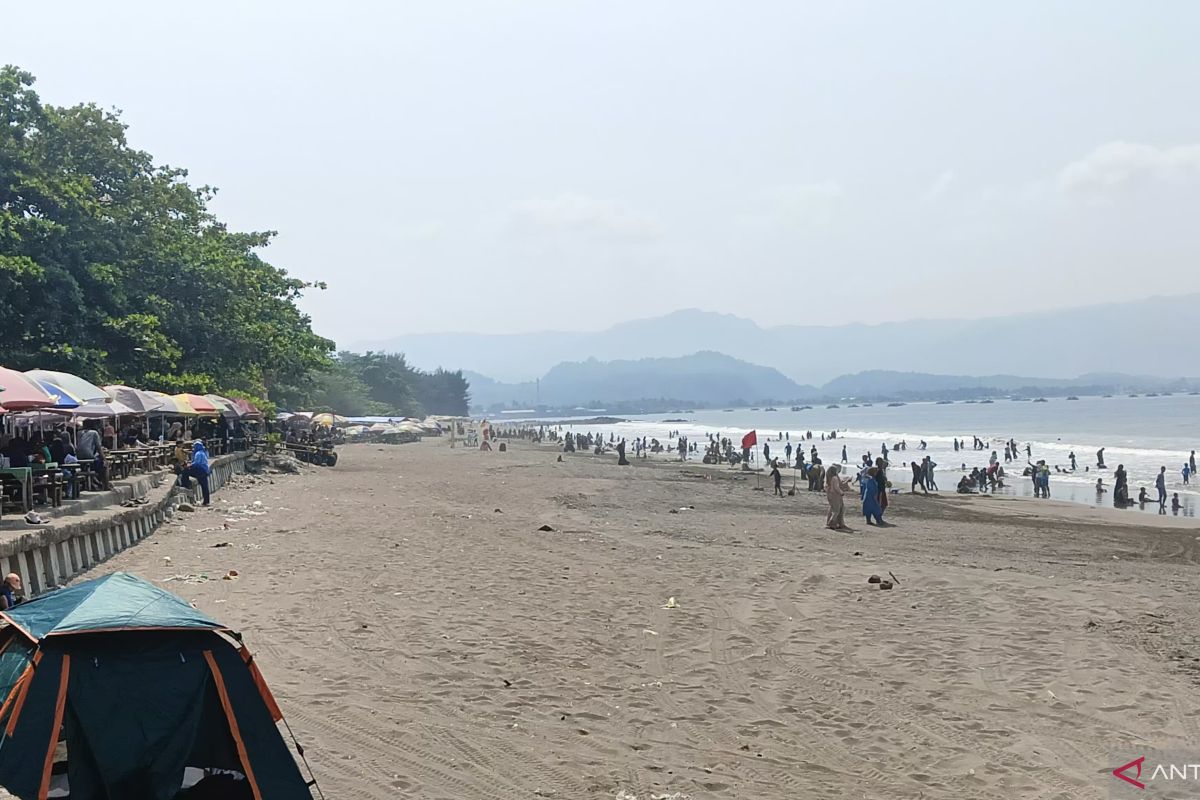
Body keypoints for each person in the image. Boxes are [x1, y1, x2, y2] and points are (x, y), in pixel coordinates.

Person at [178, 440, 211, 506]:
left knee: (185, 471)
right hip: (204, 471)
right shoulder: (203, 452)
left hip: (200, 470)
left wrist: (189, 465)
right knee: (204, 486)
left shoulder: (198, 454)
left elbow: (197, 463)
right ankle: (206, 501)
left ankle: (185, 484)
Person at [825, 464, 850, 530]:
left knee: (833, 508)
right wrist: (841, 492)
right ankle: (832, 522)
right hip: (835, 495)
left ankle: (833, 522)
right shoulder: (835, 478)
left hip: (830, 495)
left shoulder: (829, 478)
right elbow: (836, 487)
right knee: (836, 510)